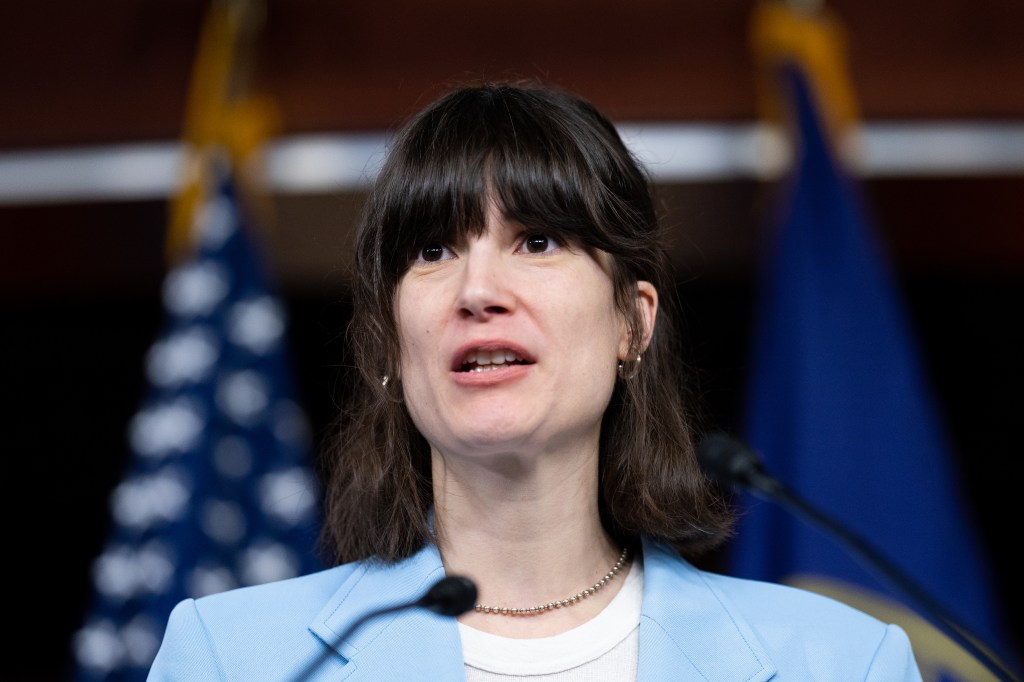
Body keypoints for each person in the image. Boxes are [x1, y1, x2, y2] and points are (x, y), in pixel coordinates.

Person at [148, 81, 923, 681]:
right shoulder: (231, 658)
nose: (478, 290)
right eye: (432, 252)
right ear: (388, 339)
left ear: (633, 322)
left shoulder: (845, 662)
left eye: (539, 240)